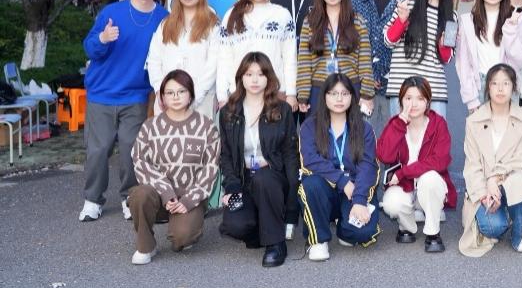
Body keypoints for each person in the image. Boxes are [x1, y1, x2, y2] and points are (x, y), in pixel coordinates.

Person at [80, 0, 169, 222]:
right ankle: (92, 199)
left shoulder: (163, 17)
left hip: (136, 95)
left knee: (133, 149)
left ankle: (130, 197)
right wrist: (103, 38)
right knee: (98, 150)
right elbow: (90, 48)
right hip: (103, 93)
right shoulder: (112, 12)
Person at [129, 70, 220, 264]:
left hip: (189, 197)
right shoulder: (150, 126)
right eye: (170, 93)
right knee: (139, 194)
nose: (176, 97)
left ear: (191, 94)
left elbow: (211, 168)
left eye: (181, 91)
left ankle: (184, 230)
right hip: (158, 195)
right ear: (162, 97)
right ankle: (146, 245)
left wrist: (188, 200)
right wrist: (166, 192)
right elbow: (139, 160)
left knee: (182, 238)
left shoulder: (206, 127)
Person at [218, 52, 300, 268]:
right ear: (241, 78)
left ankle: (276, 244)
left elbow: (291, 155)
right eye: (249, 74)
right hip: (243, 178)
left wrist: (292, 203)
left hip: (273, 177)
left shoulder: (282, 110)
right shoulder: (228, 112)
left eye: (260, 74)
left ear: (269, 77)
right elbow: (226, 155)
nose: (254, 80)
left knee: (264, 178)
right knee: (236, 226)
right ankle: (261, 230)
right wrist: (232, 186)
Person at [299, 73, 380, 261]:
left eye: (344, 93)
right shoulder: (310, 126)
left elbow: (368, 166)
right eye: (333, 93)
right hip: (325, 187)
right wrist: (342, 181)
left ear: (352, 97)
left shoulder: (364, 128)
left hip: (354, 189)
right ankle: (318, 240)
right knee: (310, 184)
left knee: (362, 233)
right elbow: (311, 160)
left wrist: (359, 200)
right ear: (324, 96)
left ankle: (344, 229)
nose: (339, 99)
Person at [460, 64, 522, 257]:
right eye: (495, 83)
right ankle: (508, 213)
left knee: (518, 180)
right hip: (484, 190)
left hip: (511, 181)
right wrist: (483, 193)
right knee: (493, 227)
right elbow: (472, 165)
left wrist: (494, 178)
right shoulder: (474, 121)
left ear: (514, 87)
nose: (500, 89)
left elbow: (521, 159)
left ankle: (521, 233)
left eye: (506, 83)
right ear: (488, 87)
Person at [376, 77, 457, 253]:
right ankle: (407, 227)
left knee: (430, 178)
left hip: (429, 187)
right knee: (391, 203)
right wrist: (399, 124)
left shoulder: (438, 124)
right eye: (408, 98)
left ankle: (433, 232)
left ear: (427, 101)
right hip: (405, 187)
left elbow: (440, 161)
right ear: (401, 100)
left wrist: (404, 172)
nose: (413, 104)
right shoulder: (395, 124)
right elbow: (384, 155)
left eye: (420, 98)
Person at [217, 0, 297, 112]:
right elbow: (224, 58)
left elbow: (289, 57)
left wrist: (291, 93)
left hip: (275, 93)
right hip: (239, 93)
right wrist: (222, 96)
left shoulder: (282, 15)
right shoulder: (231, 15)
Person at [383, 0, 455, 118]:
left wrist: (443, 45)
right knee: (400, 135)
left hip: (434, 91)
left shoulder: (451, 16)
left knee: (435, 135)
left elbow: (447, 58)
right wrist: (401, 20)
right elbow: (388, 41)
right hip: (402, 88)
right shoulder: (407, 4)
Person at [296, 0, 375, 117]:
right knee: (318, 131)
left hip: (350, 88)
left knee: (351, 131)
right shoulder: (310, 22)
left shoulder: (357, 21)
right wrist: (303, 94)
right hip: (319, 89)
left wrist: (366, 94)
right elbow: (304, 62)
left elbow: (365, 60)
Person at [455, 0, 522, 112]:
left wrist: (511, 30)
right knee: (480, 127)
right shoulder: (468, 21)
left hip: (507, 84)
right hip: (480, 87)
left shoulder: (515, 18)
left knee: (509, 127)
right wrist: (471, 99)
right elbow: (463, 64)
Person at [147, 0, 220, 120]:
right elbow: (154, 60)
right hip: (166, 101)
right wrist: (161, 91)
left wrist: (194, 96)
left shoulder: (212, 24)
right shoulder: (165, 24)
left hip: (201, 101)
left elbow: (213, 66)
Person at [351, 0, 406, 136]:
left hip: (396, 84)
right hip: (364, 86)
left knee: (396, 140)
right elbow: (351, 42)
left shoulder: (403, 1)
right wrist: (367, 76)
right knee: (366, 140)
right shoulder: (356, 1)